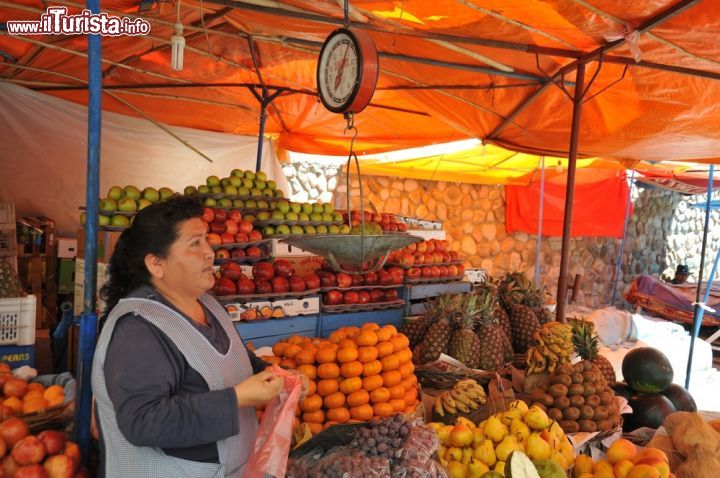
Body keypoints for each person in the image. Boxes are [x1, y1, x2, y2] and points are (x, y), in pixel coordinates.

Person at [92, 195, 291, 477]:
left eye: (206, 240)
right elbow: (144, 421)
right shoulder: (137, 328)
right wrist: (236, 398)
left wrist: (277, 376)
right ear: (156, 264)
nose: (210, 252)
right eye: (194, 244)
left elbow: (232, 360)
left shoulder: (208, 304)